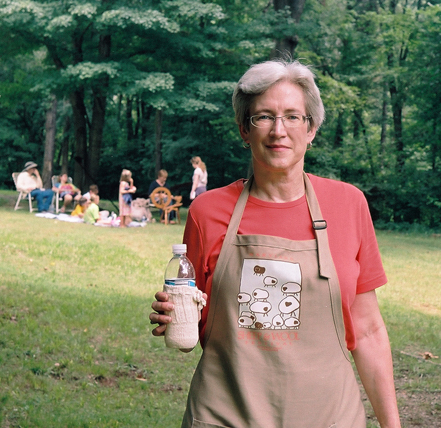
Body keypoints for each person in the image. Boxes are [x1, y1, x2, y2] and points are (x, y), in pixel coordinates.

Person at [150, 60, 401, 427]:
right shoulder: (207, 212)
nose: (278, 131)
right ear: (244, 129)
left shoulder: (349, 204)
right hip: (226, 415)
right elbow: (191, 332)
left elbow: (368, 330)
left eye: (293, 117)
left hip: (331, 417)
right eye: (263, 117)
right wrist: (174, 318)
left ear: (311, 128)